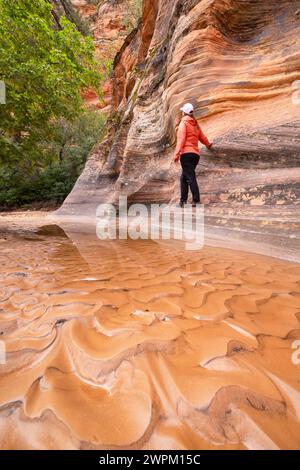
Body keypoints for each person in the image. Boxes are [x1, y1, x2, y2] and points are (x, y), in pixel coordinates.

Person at [173, 103, 213, 207]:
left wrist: (177, 154)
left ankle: (196, 200)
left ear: (184, 113)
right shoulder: (195, 124)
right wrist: (208, 144)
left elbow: (181, 139)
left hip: (186, 154)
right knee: (184, 177)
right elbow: (202, 137)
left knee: (190, 177)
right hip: (195, 155)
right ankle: (183, 201)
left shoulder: (184, 123)